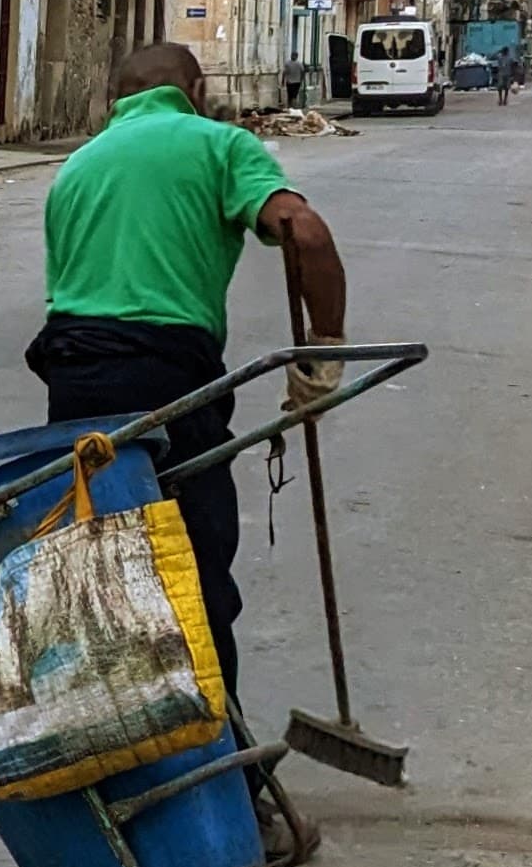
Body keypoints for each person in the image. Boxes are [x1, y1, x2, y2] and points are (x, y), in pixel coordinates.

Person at [27, 44, 349, 820]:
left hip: (73, 384)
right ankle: (224, 785)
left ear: (114, 96)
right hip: (169, 379)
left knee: (97, 574)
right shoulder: (218, 143)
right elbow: (302, 232)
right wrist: (326, 347)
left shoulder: (77, 166)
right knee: (196, 580)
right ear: (195, 91)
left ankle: (105, 760)